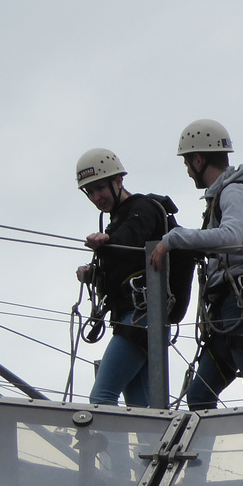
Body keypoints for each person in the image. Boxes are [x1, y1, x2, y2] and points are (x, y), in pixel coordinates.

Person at [150, 119, 243, 411]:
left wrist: (174, 239)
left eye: (187, 163)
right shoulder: (223, 194)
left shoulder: (235, 192)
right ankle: (199, 458)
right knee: (200, 396)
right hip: (227, 309)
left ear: (198, 159)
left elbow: (232, 237)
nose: (187, 170)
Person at [74, 148, 171, 407]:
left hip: (139, 318)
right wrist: (93, 274)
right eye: (90, 192)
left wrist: (107, 240)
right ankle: (151, 447)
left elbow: (132, 236)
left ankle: (101, 447)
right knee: (144, 408)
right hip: (136, 319)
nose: (96, 197)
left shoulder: (141, 208)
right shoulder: (118, 219)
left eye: (100, 188)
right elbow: (124, 264)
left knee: (101, 397)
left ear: (118, 181)